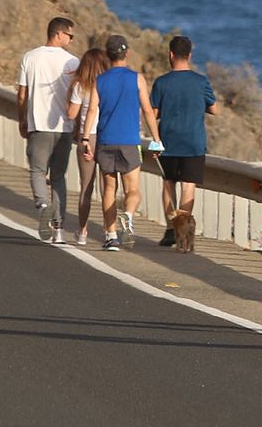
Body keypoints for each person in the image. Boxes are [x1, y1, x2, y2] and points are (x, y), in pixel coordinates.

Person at [84, 35, 163, 252]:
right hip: (129, 141)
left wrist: (84, 138)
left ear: (108, 56)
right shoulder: (137, 79)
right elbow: (147, 110)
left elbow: (92, 110)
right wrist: (156, 139)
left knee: (109, 189)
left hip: (106, 140)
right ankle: (127, 216)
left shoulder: (99, 80)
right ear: (126, 53)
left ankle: (111, 237)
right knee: (133, 190)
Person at [149, 35, 219, 249]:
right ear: (189, 55)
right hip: (194, 142)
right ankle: (184, 232)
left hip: (168, 141)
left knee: (168, 183)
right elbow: (214, 109)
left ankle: (171, 229)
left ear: (170, 55)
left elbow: (153, 113)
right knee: (188, 185)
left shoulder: (162, 82)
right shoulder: (201, 81)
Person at [17, 16, 80, 243]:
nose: (71, 39)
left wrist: (22, 119)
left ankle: (43, 207)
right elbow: (78, 98)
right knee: (59, 176)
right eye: (70, 35)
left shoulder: (30, 57)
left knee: (37, 171)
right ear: (58, 34)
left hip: (38, 124)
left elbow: (22, 94)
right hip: (64, 127)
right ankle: (59, 229)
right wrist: (78, 126)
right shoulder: (73, 63)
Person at [65, 47, 110, 247]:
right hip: (107, 135)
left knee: (86, 187)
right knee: (107, 186)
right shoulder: (109, 85)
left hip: (87, 137)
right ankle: (110, 230)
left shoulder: (80, 86)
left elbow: (71, 114)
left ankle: (82, 230)